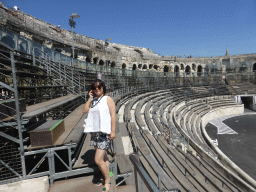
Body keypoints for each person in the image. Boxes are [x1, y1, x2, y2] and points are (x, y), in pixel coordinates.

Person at [83, 79, 116, 192]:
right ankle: (108, 175)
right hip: (95, 133)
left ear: (103, 87)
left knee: (98, 160)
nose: (97, 89)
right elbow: (85, 110)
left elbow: (113, 115)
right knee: (104, 157)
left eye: (99, 86)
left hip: (104, 133)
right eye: (94, 87)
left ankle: (107, 181)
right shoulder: (94, 100)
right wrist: (90, 98)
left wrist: (113, 131)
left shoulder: (108, 99)